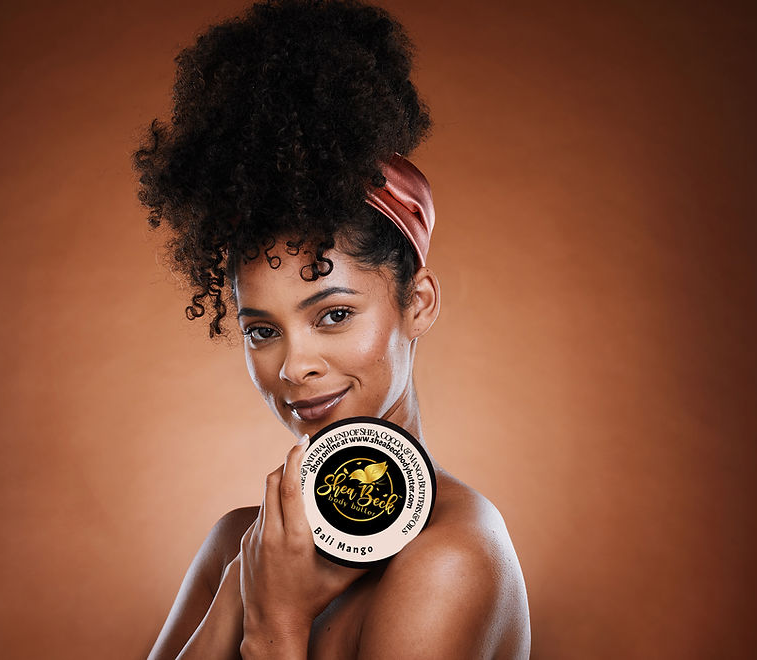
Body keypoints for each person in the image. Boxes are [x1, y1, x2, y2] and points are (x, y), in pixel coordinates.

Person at [132, 1, 531, 657]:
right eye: (263, 330)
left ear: (418, 303)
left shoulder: (450, 559)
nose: (295, 366)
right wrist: (241, 583)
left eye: (334, 314)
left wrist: (274, 624)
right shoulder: (237, 546)